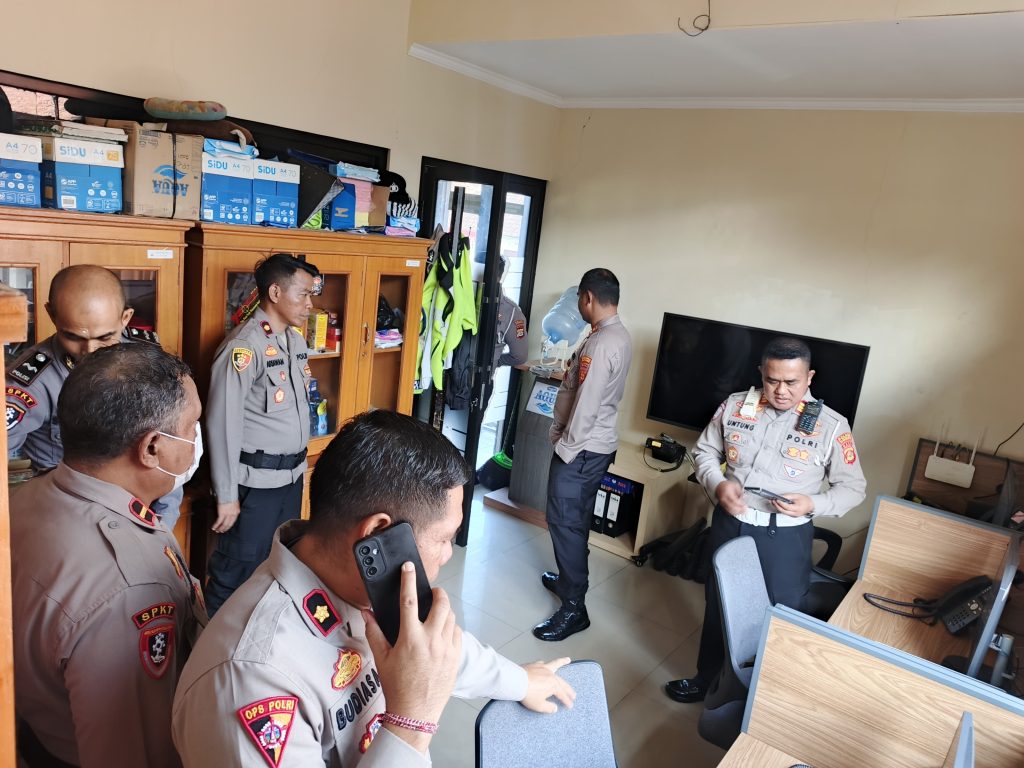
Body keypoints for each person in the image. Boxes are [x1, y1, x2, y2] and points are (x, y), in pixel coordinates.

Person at [172, 409, 575, 766]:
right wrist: (411, 722)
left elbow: (434, 649)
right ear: (378, 536)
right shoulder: (253, 681)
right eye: (443, 538)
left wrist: (520, 681)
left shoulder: (364, 586)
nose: (448, 554)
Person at [10, 343, 207, 768]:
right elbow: (136, 752)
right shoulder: (129, 589)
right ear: (151, 448)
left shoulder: (26, 498)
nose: (196, 440)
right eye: (192, 426)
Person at [665, 336, 866, 703]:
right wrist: (718, 483)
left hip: (784, 538)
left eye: (791, 382)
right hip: (732, 524)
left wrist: (813, 503)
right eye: (772, 380)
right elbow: (704, 452)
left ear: (809, 377)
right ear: (761, 373)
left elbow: (853, 488)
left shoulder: (832, 426)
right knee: (721, 604)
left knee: (779, 616)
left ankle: (760, 698)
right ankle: (707, 679)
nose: (781, 391)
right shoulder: (735, 406)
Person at [4, 264, 183, 530]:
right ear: (51, 315)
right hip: (71, 519)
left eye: (105, 337)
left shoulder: (146, 357)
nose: (90, 350)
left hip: (144, 511)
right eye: (73, 336)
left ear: (125, 318)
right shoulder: (32, 382)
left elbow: (170, 440)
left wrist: (163, 522)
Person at [204, 253, 321, 614]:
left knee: (278, 567)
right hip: (254, 485)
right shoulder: (245, 346)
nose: (310, 304)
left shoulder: (294, 342)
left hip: (291, 478)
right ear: (275, 292)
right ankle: (208, 645)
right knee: (235, 574)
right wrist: (227, 496)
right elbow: (222, 423)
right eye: (303, 294)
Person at [535, 268, 632, 642]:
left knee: (565, 523)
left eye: (579, 298)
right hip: (595, 447)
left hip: (581, 450)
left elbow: (586, 406)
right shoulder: (615, 335)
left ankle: (574, 608)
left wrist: (565, 449)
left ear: (587, 298)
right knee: (573, 519)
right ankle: (566, 582)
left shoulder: (601, 344)